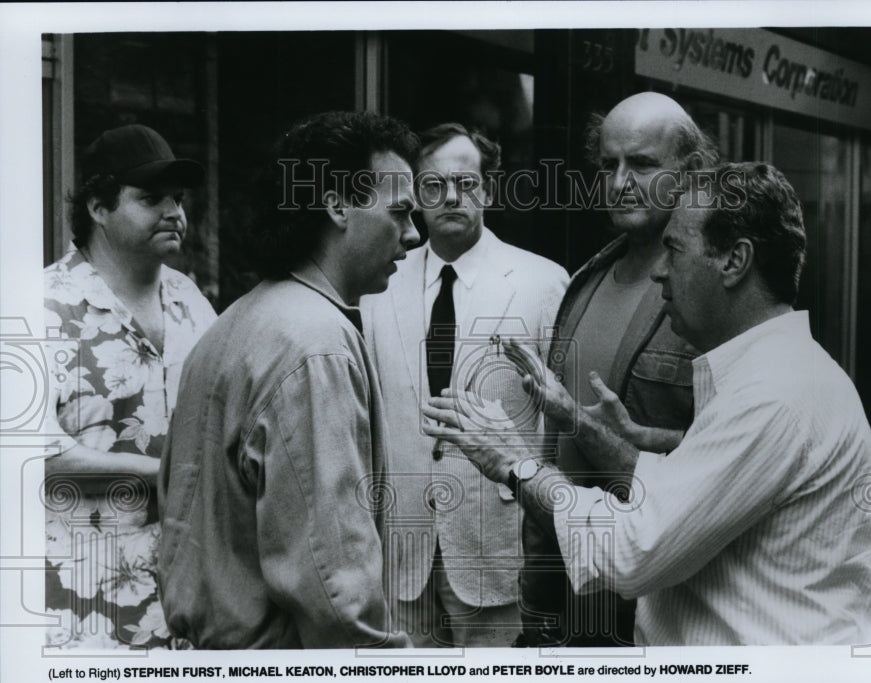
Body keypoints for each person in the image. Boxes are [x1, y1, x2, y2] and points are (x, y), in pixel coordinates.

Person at [424, 161, 871, 646]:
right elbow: (678, 499)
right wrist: (579, 423)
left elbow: (631, 549)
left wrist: (514, 464)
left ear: (734, 261)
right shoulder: (772, 374)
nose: (660, 272)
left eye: (674, 250)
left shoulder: (774, 393)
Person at [157, 111, 419, 649]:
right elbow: (333, 580)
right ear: (338, 205)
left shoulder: (234, 322)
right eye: (400, 213)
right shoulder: (313, 343)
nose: (414, 236)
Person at [519, 92, 718, 647]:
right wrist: (537, 594)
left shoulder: (714, 296)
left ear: (692, 172)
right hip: (568, 601)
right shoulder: (585, 280)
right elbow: (553, 447)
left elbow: (741, 450)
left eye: (643, 164)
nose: (620, 182)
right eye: (609, 165)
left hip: (656, 608)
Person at [360, 123, 568, 647]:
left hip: (497, 544)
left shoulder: (542, 282)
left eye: (465, 182)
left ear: (489, 190)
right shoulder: (379, 283)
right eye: (432, 186)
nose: (450, 197)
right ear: (415, 196)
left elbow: (562, 422)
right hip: (401, 546)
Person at [44, 124, 216, 649]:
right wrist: (163, 474)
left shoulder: (191, 300)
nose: (174, 212)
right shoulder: (41, 305)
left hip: (189, 600)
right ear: (98, 207)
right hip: (80, 601)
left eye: (178, 199)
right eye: (150, 198)